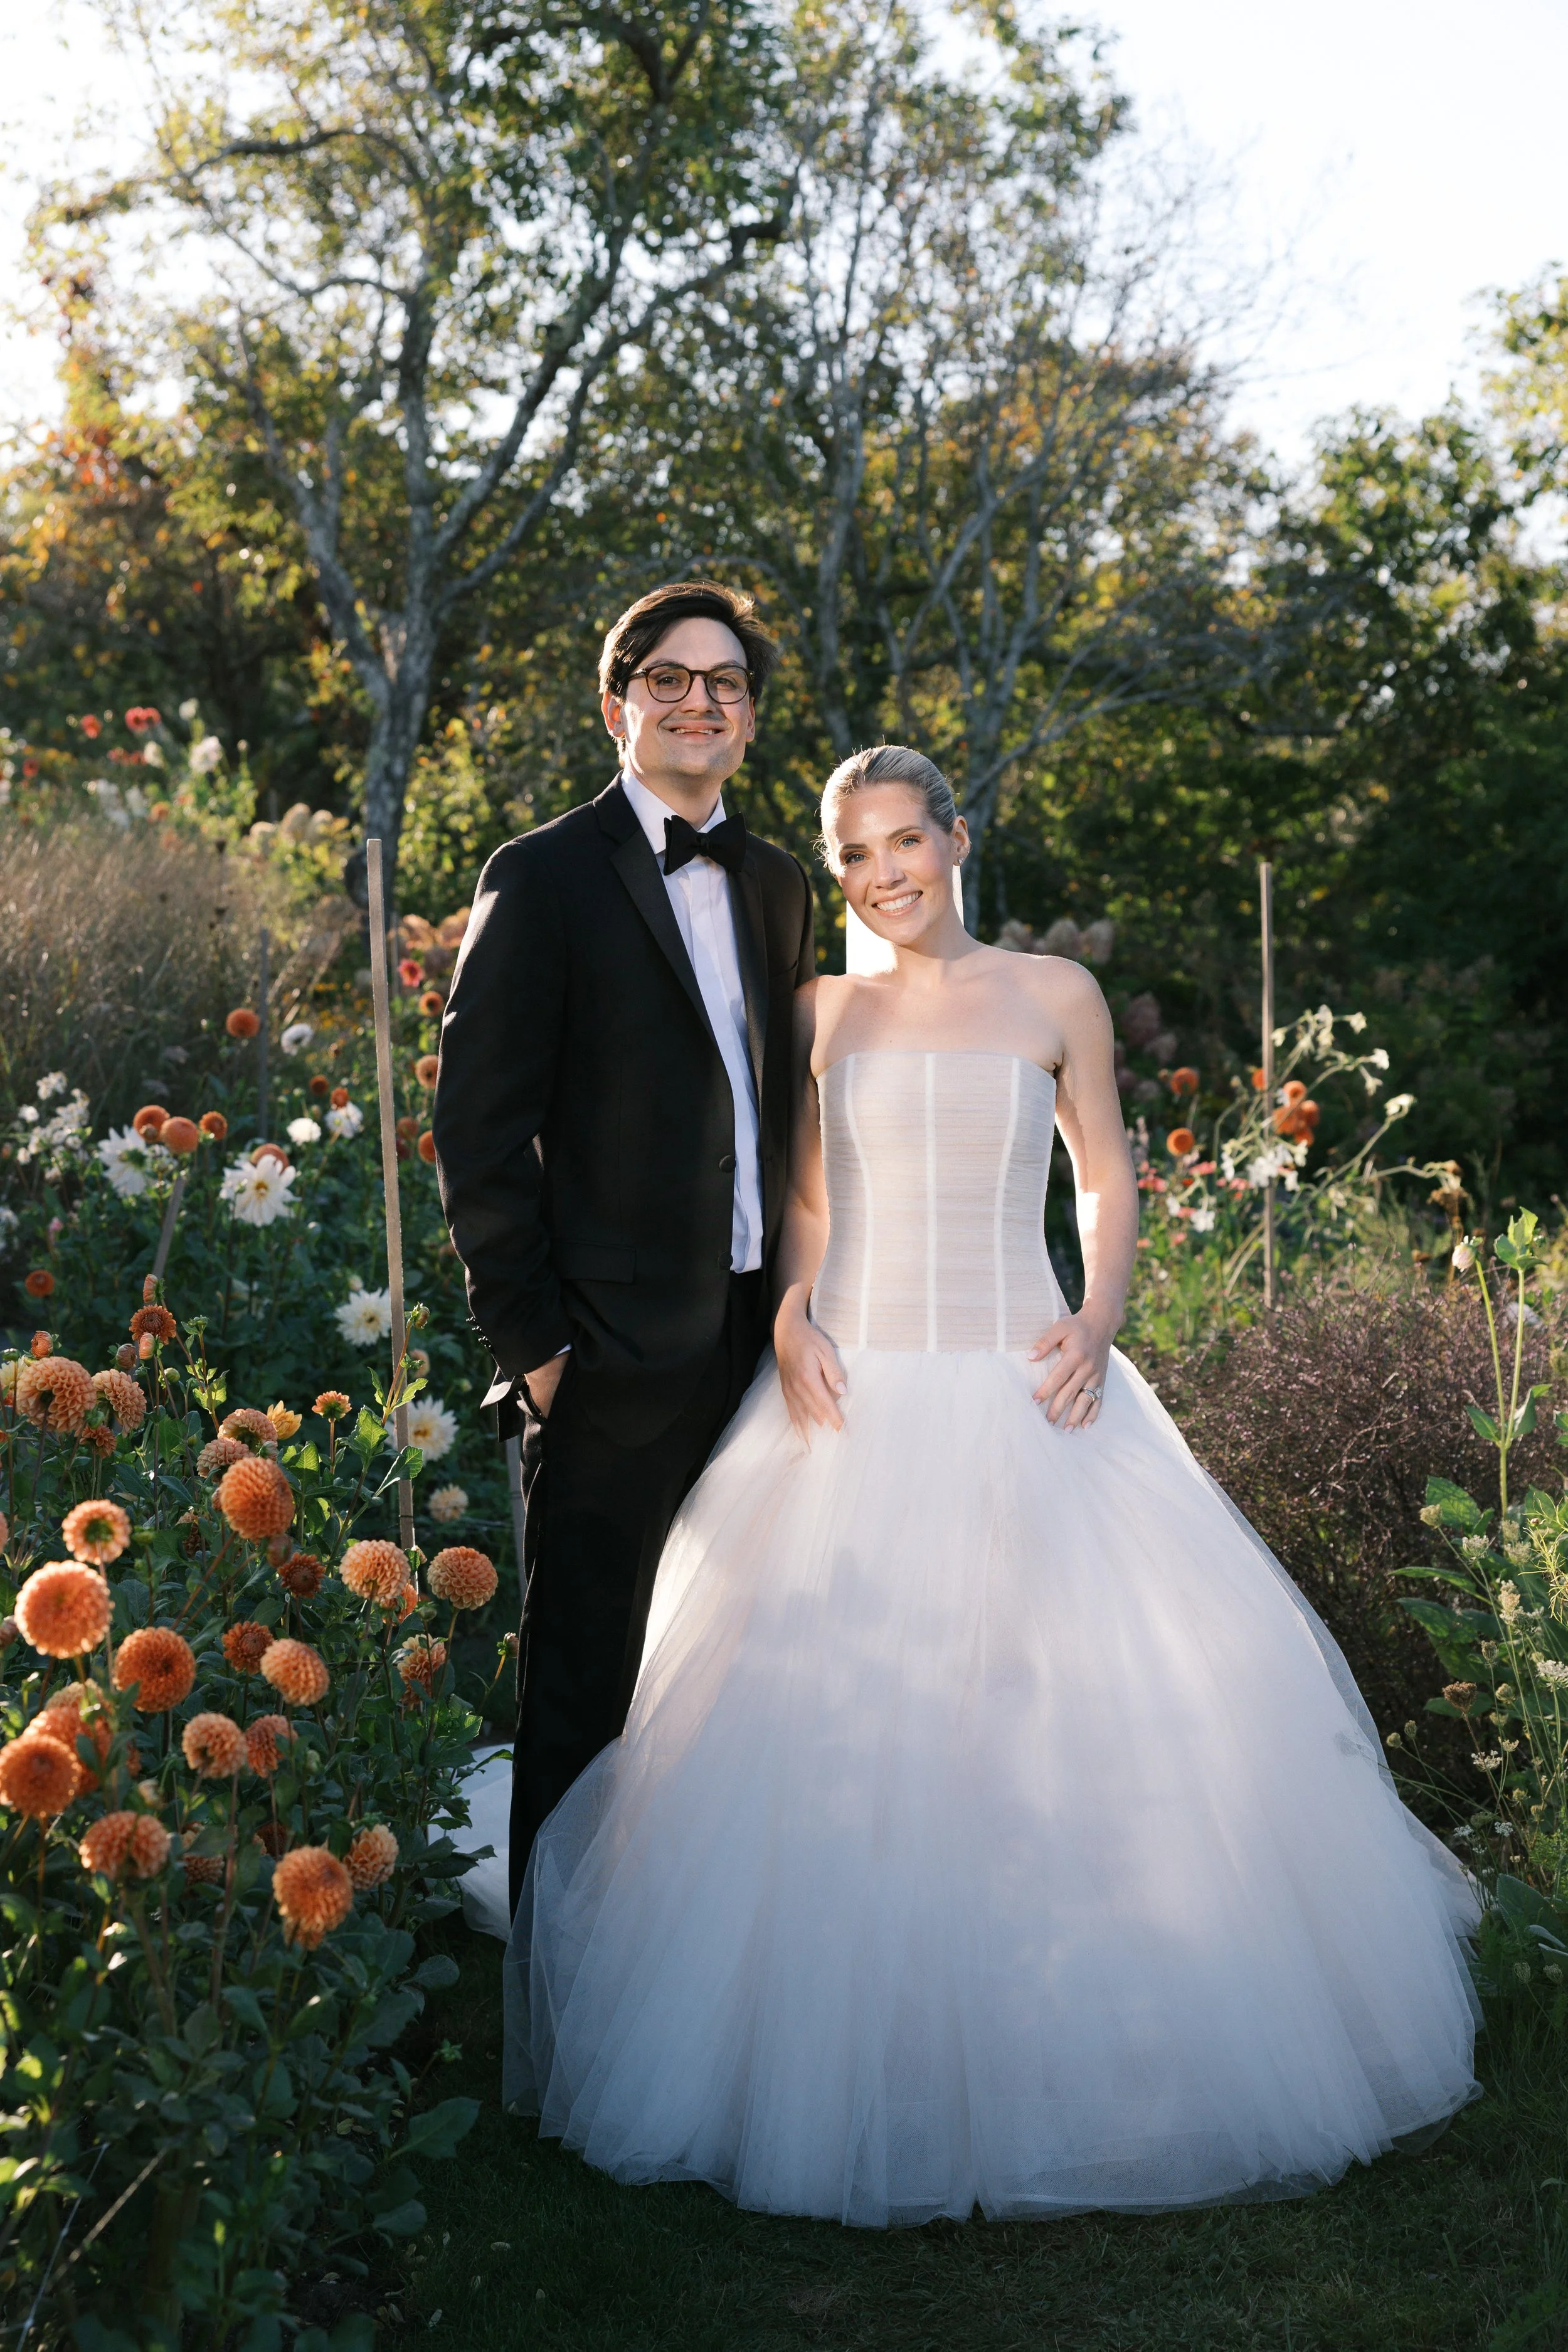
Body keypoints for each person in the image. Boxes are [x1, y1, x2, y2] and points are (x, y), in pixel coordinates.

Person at [482, 741, 1480, 2227]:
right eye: (853, 857)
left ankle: (1087, 2033)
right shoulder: (820, 1009)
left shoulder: (1050, 996)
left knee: (1052, 1706)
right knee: (829, 1718)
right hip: (855, 1387)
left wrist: (1097, 1317)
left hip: (1027, 1375)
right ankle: (848, 2051)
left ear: (955, 837)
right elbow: (804, 1192)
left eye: (903, 842)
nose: (883, 876)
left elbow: (1104, 1176)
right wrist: (788, 1312)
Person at [432, 580, 815, 1911]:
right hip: (599, 1357)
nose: (697, 700)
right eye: (669, 677)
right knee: (586, 1685)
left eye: (724, 683)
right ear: (617, 706)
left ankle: (692, 1961)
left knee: (734, 1672)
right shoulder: (537, 877)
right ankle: (555, 2004)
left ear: (748, 719)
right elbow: (475, 1134)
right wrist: (534, 1349)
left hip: (760, 1345)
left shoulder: (777, 884)